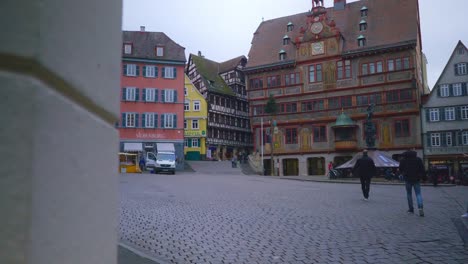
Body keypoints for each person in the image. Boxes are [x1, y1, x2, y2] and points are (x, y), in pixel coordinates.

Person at [399, 149, 426, 217]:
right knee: (418, 194)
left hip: (408, 179)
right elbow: (422, 169)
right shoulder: (418, 159)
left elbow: (400, 169)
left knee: (409, 194)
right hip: (416, 179)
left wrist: (403, 173)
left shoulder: (403, 160)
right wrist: (424, 178)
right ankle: (420, 208)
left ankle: (411, 209)